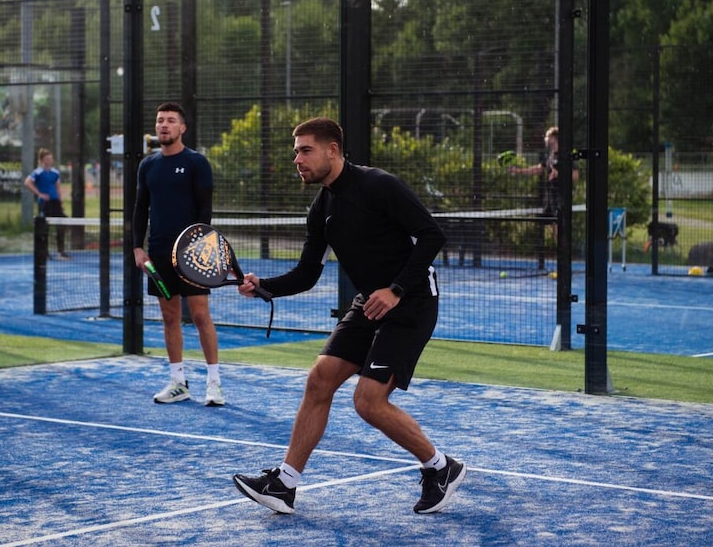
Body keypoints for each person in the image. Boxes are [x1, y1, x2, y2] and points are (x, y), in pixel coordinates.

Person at [232, 117, 465, 514]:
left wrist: (395, 290)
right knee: (320, 378)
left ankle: (440, 467)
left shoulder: (379, 185)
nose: (297, 160)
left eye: (305, 150)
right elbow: (307, 274)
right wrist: (263, 285)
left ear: (332, 150)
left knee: (368, 401)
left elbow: (432, 235)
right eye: (295, 152)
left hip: (412, 301)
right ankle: (284, 484)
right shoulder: (321, 208)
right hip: (368, 303)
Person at [131, 102, 225, 407]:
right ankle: (178, 382)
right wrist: (137, 247)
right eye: (160, 121)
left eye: (171, 121)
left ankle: (214, 384)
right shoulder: (148, 165)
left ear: (182, 128)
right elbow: (139, 210)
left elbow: (205, 210)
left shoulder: (197, 163)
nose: (164, 125)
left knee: (200, 316)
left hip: (193, 253)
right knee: (169, 317)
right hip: (157, 256)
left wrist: (199, 247)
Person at [508, 126, 578, 243]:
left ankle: (565, 252)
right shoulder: (551, 156)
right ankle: (561, 250)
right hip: (550, 194)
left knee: (559, 223)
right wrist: (517, 171)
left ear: (553, 138)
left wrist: (559, 174)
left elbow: (575, 176)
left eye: (547, 136)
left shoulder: (566, 154)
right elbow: (538, 169)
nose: (545, 139)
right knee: (551, 223)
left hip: (561, 195)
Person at [24, 148, 70, 259]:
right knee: (44, 227)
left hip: (55, 203)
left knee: (61, 225)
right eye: (46, 159)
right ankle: (44, 252)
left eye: (50, 158)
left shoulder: (55, 173)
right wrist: (39, 194)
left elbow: (58, 188)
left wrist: (60, 201)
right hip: (45, 203)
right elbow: (27, 182)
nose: (49, 160)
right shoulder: (38, 172)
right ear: (41, 160)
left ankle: (61, 252)